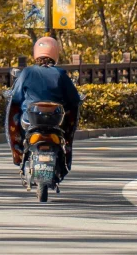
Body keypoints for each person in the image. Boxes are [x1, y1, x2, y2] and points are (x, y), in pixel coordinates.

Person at [6, 35, 82, 171]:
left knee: (20, 129)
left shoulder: (27, 72)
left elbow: (16, 98)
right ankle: (62, 162)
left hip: (30, 121)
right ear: (55, 53)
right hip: (57, 121)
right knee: (65, 135)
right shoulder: (60, 74)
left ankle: (21, 155)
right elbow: (74, 100)